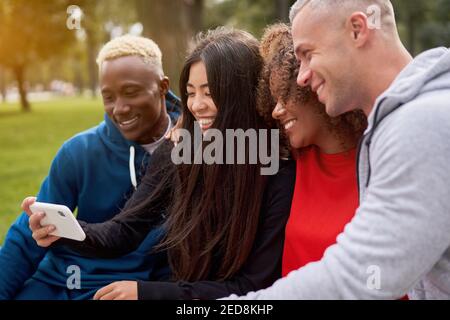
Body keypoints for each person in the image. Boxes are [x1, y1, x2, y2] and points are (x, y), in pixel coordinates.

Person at [25, 27, 296, 300]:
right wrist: (63, 230)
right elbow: (124, 231)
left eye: (209, 92)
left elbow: (253, 287)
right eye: (191, 93)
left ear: (242, 93)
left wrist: (146, 293)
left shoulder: (278, 171)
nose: (196, 105)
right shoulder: (180, 148)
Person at [224, 0, 450, 300]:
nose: (301, 76)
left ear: (358, 29)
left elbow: (360, 277)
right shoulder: (410, 118)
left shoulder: (420, 122)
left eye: (308, 54)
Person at [0, 35, 181, 300]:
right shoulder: (78, 152)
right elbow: (26, 237)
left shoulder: (191, 148)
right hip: (58, 282)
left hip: (126, 290)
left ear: (162, 86)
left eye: (131, 92)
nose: (119, 108)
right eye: (108, 97)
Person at [257, 23, 367, 279]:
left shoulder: (378, 156)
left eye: (285, 97)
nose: (276, 110)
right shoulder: (293, 156)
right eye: (273, 100)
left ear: (314, 87)